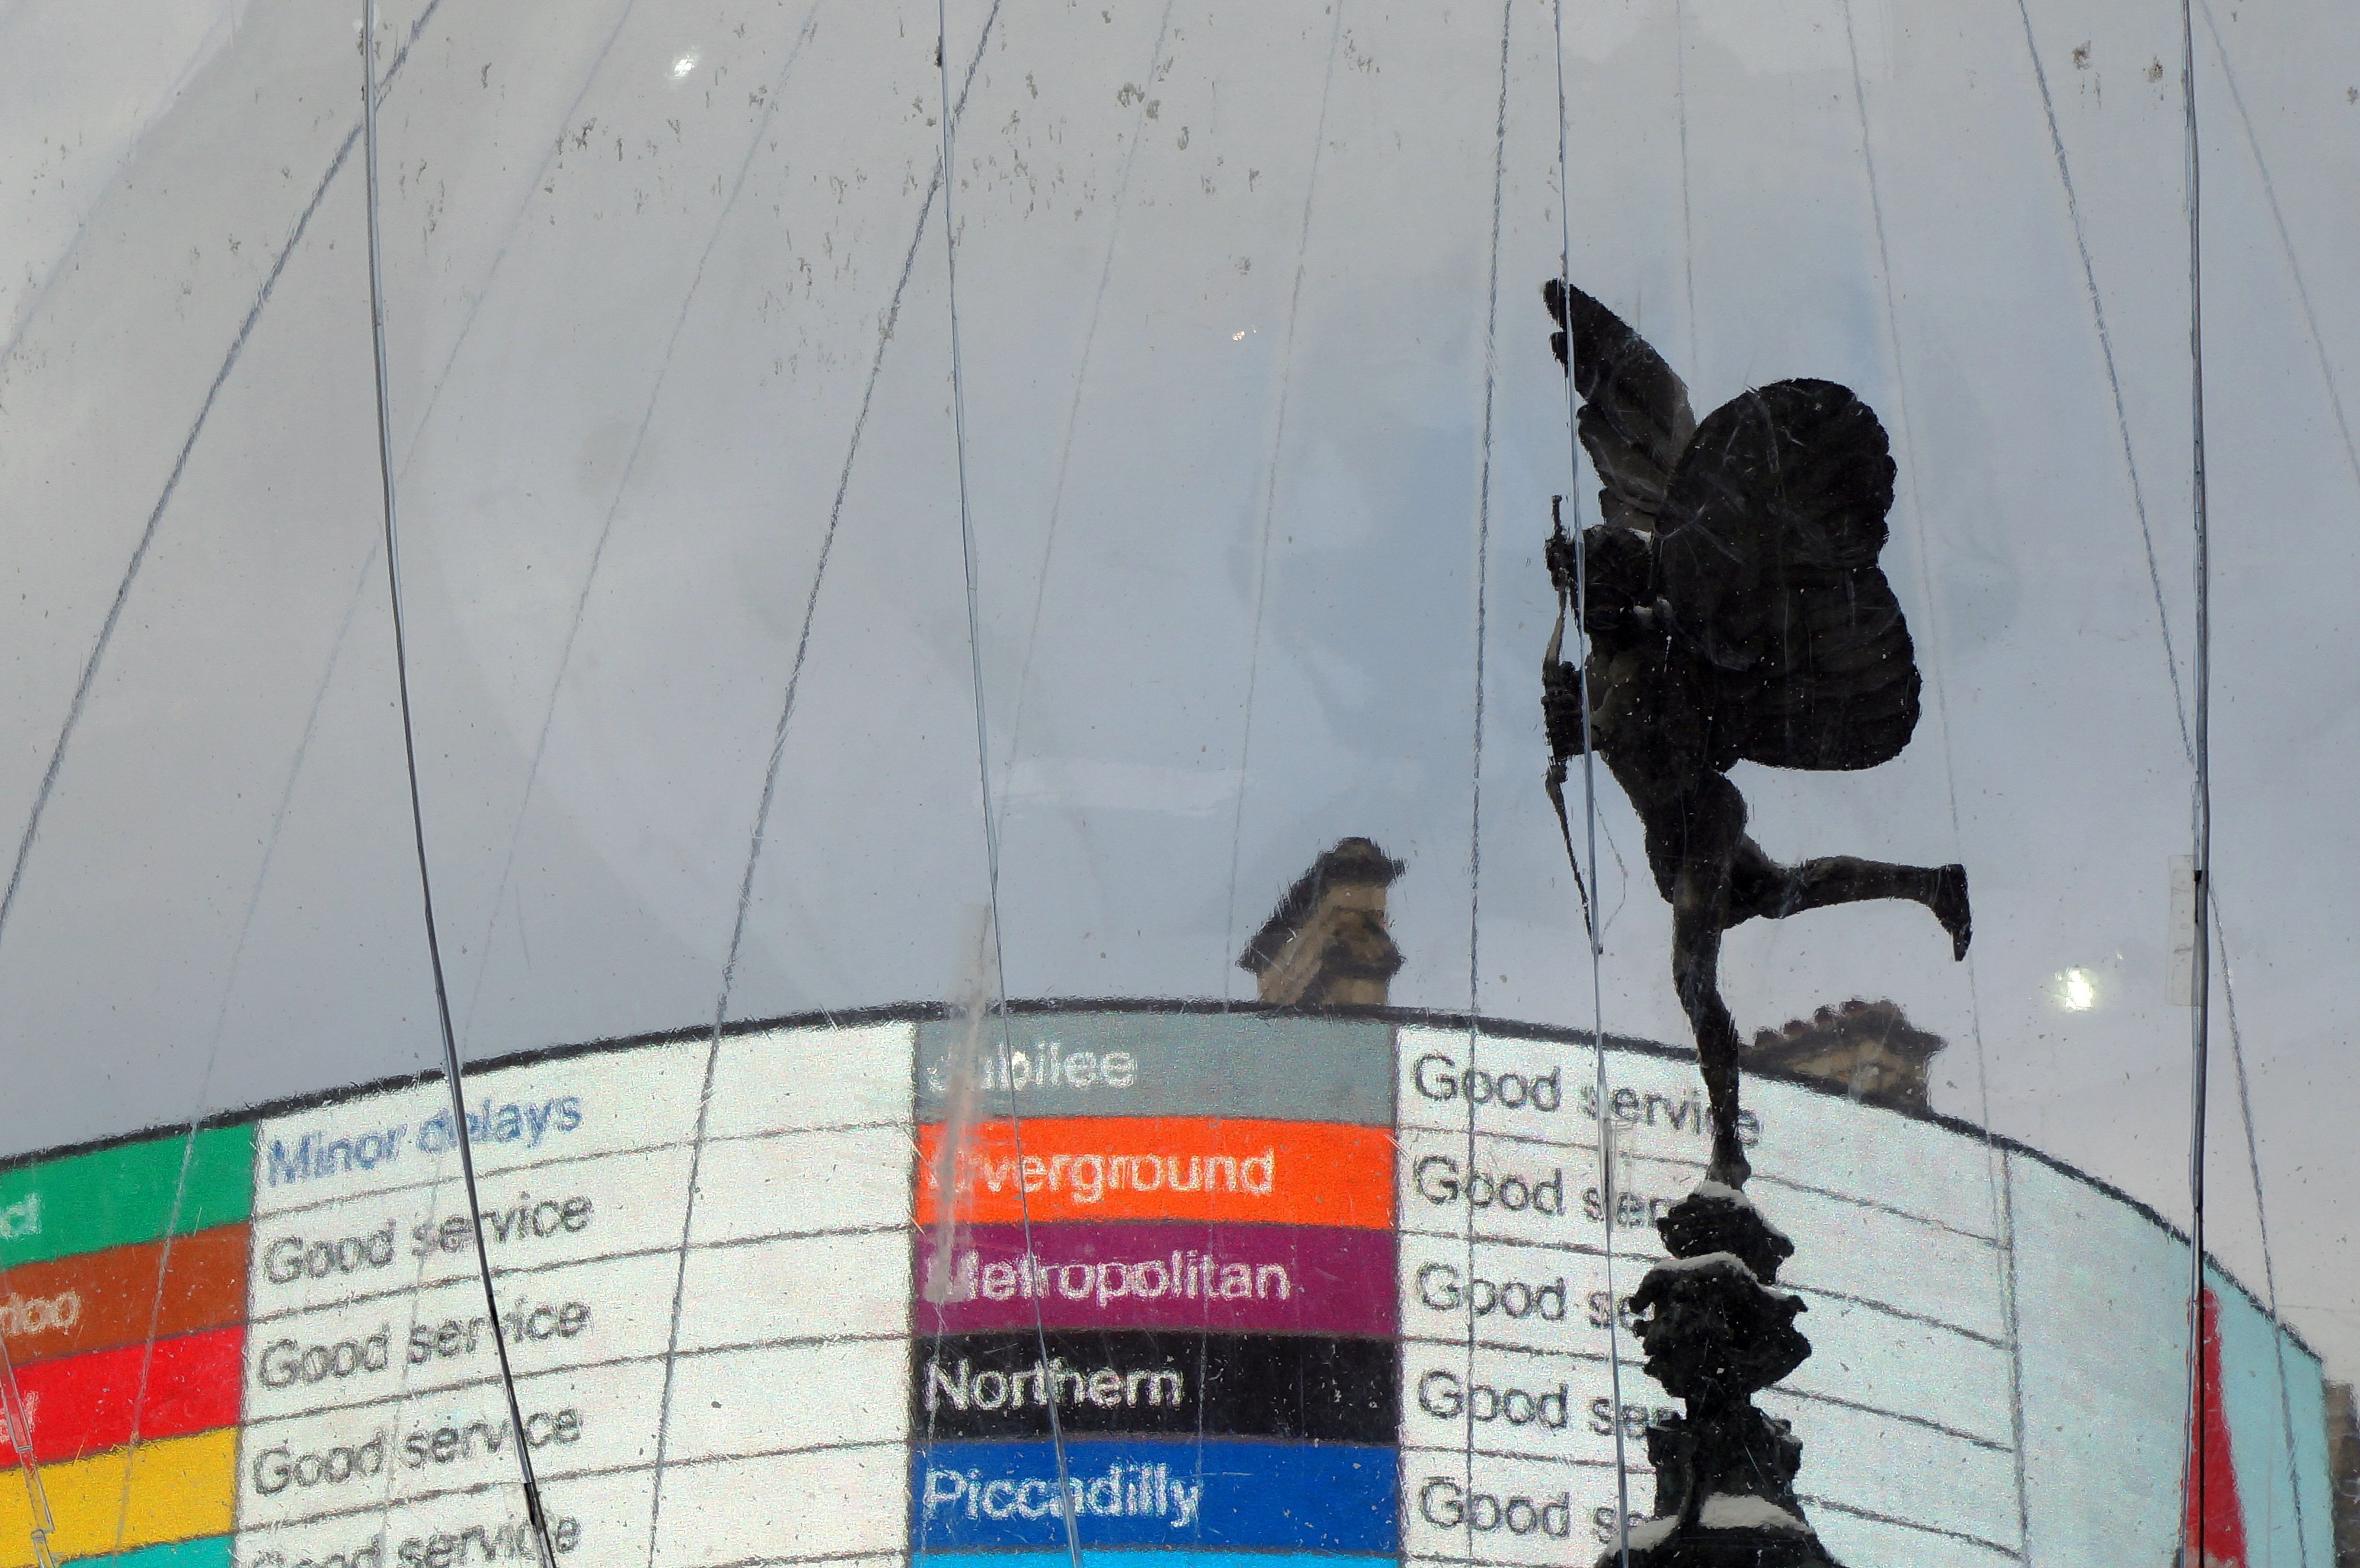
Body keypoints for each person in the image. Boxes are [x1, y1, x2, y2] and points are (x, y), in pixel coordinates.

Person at [1540, 282, 1968, 1187]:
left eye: (1600, 589)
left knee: (1694, 980)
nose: (1592, 605)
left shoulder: (1662, 647)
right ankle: (1930, 882)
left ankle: (1727, 1148)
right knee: (1779, 892)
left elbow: (1647, 721)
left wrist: (1581, 721)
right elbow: (1603, 737)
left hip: (1702, 817)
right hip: (1672, 837)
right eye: (1585, 594)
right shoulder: (1609, 667)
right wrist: (1568, 725)